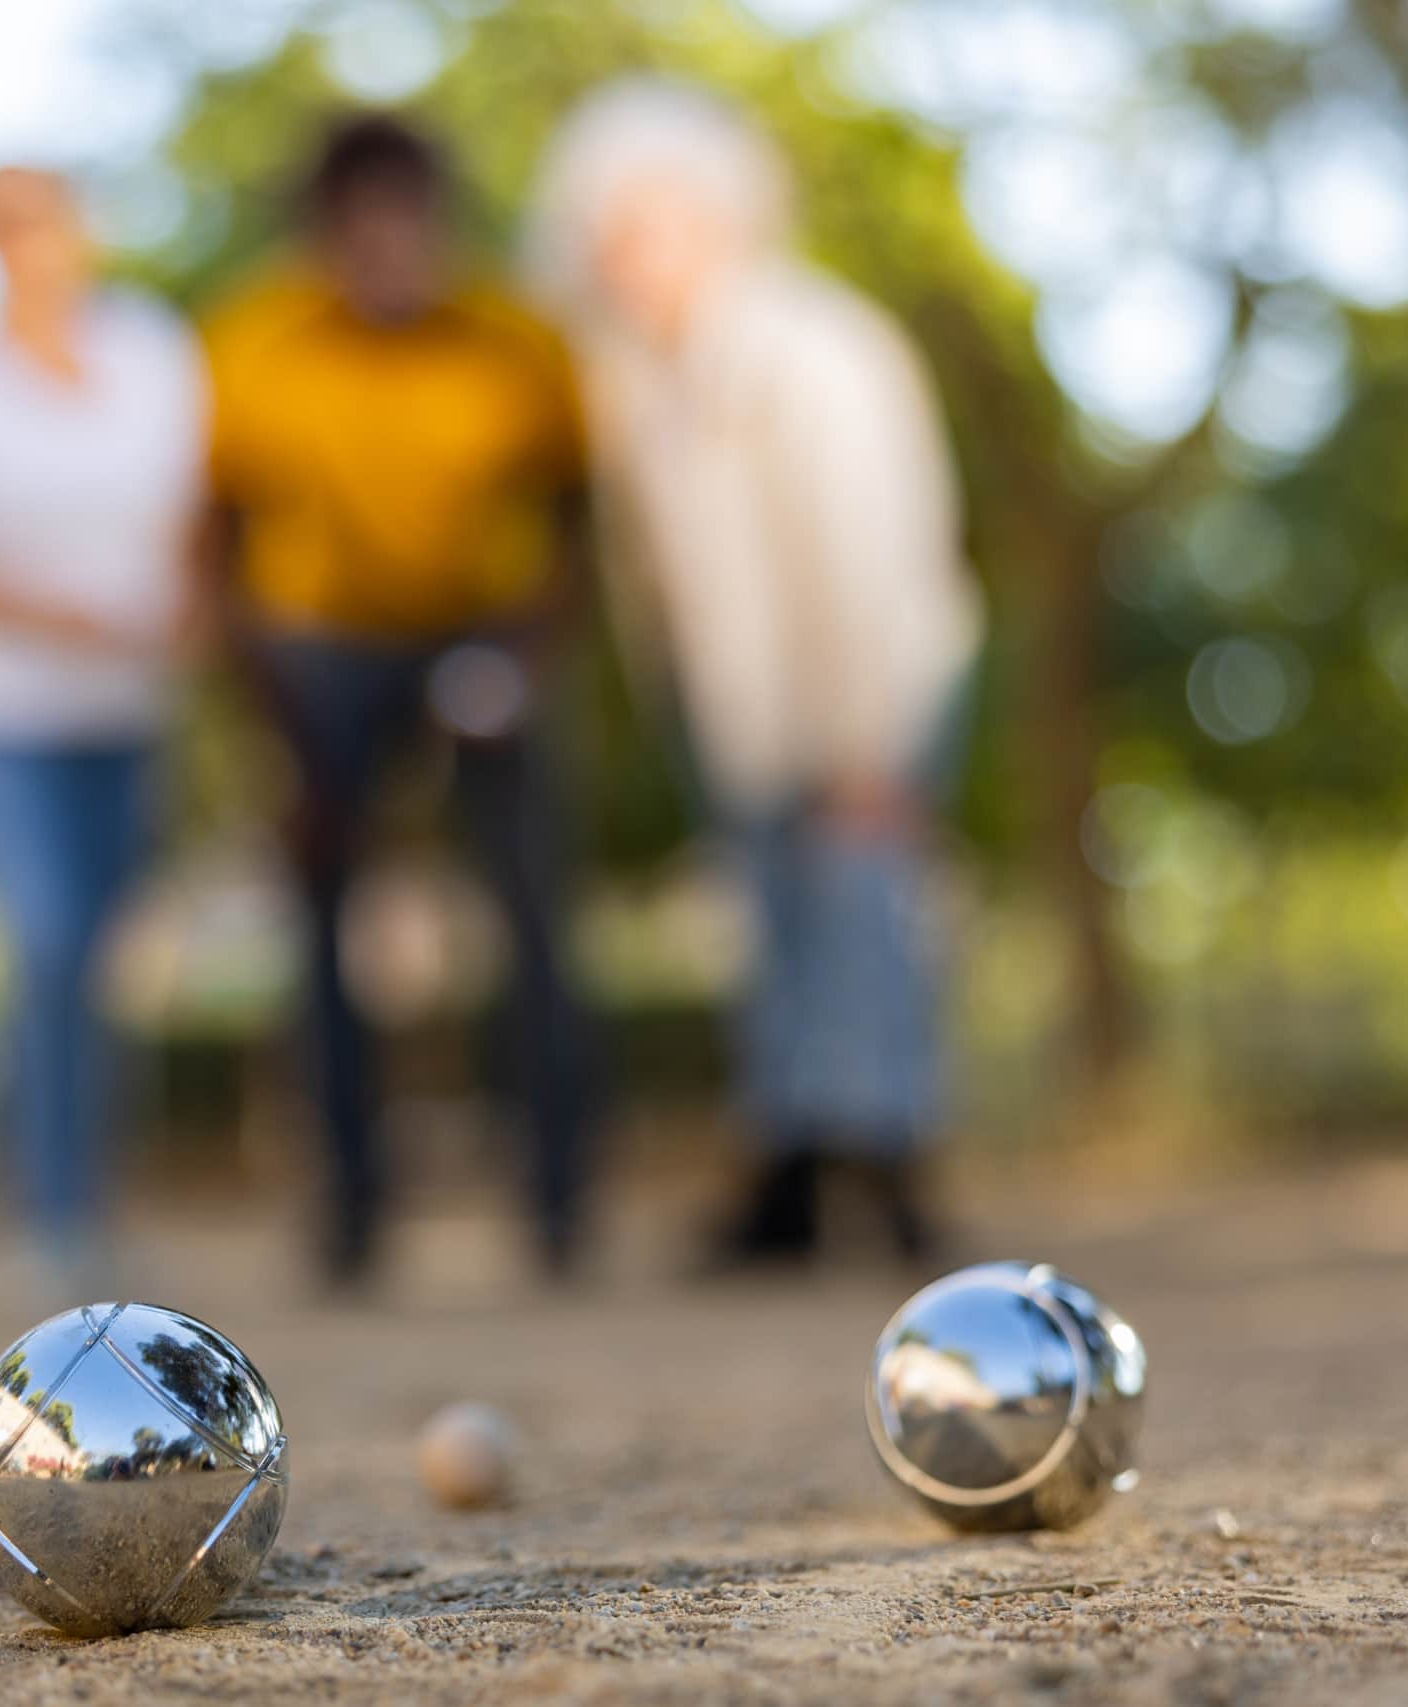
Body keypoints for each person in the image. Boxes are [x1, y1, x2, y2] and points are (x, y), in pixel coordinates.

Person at [527, 82, 985, 1265]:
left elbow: (870, 558)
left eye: (642, 229)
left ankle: (891, 1175)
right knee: (773, 932)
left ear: (714, 217)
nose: (619, 259)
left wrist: (866, 739)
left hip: (867, 692)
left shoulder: (814, 350)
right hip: (742, 714)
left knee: (863, 916)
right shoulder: (640, 381)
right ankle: (789, 1170)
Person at [204, 115, 599, 1288]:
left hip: (482, 633)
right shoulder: (254, 345)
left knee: (533, 903)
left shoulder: (517, 342)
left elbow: (576, 519)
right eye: (358, 222)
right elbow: (219, 549)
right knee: (324, 921)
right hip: (317, 652)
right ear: (323, 232)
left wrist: (520, 659)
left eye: (406, 218)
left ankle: (560, 1199)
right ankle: (350, 1206)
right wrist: (281, 736)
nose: (387, 245)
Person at [0, 167, 208, 1293]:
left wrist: (184, 610)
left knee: (100, 959)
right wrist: (50, 615)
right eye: (8, 228)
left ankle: (91, 1203)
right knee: (46, 938)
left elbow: (197, 516)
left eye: (48, 221)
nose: (33, 245)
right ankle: (50, 1210)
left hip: (125, 712)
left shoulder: (154, 355)